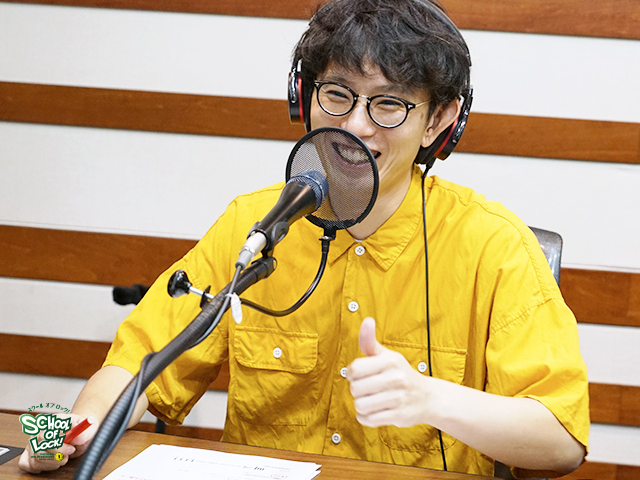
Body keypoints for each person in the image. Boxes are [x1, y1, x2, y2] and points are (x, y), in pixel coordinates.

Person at [19, 0, 589, 477]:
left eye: (389, 104)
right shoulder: (255, 223)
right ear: (304, 96)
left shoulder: (494, 246)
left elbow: (560, 440)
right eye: (337, 94)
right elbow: (139, 364)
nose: (356, 125)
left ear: (438, 121)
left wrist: (431, 399)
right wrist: (78, 433)